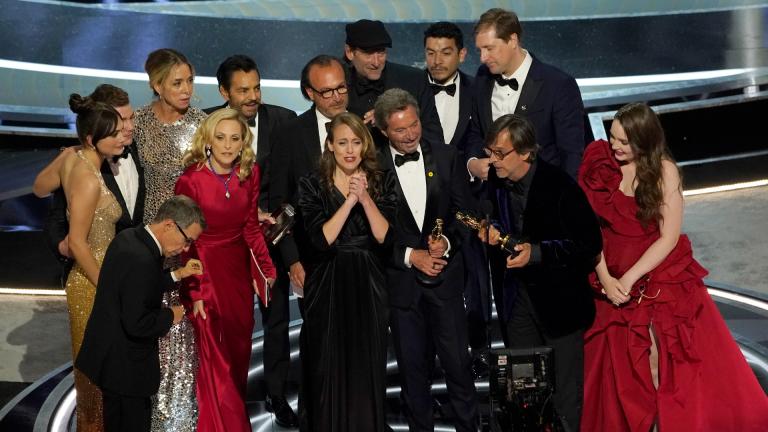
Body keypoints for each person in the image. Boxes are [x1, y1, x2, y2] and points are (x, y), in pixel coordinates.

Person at [578, 103, 768, 431]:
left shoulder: (664, 171)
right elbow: (589, 230)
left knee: (656, 361)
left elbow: (667, 238)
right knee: (615, 369)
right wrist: (606, 278)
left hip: (655, 277)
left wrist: (630, 278)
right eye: (613, 138)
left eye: (624, 142)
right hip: (607, 274)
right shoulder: (601, 165)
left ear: (645, 140)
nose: (615, 147)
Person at [479, 114, 601, 431]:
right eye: (490, 152)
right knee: (521, 398)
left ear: (525, 153)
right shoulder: (496, 182)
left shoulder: (560, 187)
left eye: (499, 153)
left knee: (563, 402)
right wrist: (491, 231)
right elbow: (495, 221)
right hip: (516, 302)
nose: (492, 161)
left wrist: (536, 253)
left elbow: (588, 246)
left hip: (559, 309)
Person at [375, 88, 478, 431]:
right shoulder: (372, 168)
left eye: (414, 125)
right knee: (412, 377)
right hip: (403, 291)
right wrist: (409, 256)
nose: (410, 135)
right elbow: (366, 235)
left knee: (459, 370)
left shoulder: (448, 156)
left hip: (446, 285)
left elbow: (468, 216)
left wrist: (448, 239)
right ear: (384, 131)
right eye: (400, 130)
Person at [175, 108, 277, 431]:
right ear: (208, 139)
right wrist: (195, 291)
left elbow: (250, 228)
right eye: (221, 138)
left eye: (235, 138)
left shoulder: (250, 173)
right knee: (214, 361)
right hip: (204, 273)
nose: (228, 146)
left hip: (237, 276)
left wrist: (266, 267)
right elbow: (184, 243)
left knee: (237, 356)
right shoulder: (190, 180)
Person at [297, 112, 397, 431]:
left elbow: (384, 236)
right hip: (327, 280)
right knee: (327, 366)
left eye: (356, 142)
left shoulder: (382, 179)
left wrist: (365, 197)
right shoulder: (311, 183)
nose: (350, 150)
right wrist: (349, 200)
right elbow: (321, 239)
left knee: (366, 365)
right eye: (342, 142)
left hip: (368, 278)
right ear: (330, 145)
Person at [266, 54, 350, 426]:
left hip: (361, 258)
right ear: (309, 93)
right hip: (310, 262)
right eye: (327, 91)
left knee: (359, 346)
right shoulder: (290, 135)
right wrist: (292, 260)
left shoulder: (366, 126)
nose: (337, 97)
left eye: (341, 87)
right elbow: (278, 206)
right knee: (316, 347)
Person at [76, 195, 205, 432]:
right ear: (169, 225)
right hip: (127, 370)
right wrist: (171, 315)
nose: (186, 248)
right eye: (187, 241)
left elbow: (136, 289)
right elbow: (138, 323)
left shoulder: (129, 238)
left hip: (110, 360)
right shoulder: (143, 259)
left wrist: (177, 275)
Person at [134, 48, 207, 431]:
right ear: (155, 84)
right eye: (177, 83)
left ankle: (176, 422)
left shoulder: (202, 124)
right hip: (147, 242)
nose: (186, 90)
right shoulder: (139, 123)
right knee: (146, 327)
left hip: (187, 244)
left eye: (190, 81)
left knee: (179, 336)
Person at [56, 94, 126, 432]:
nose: (121, 137)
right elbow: (78, 243)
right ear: (90, 139)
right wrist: (108, 288)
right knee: (94, 385)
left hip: (92, 280)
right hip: (91, 285)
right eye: (112, 133)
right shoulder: (86, 178)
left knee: (97, 380)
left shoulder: (72, 160)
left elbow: (41, 187)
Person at [33, 84, 144, 280]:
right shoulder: (78, 164)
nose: (129, 127)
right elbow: (51, 208)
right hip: (94, 273)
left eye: (131, 118)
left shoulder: (135, 148)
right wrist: (63, 247)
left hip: (132, 269)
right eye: (119, 122)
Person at [465, 8, 589, 182]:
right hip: (492, 197)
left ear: (512, 40)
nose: (483, 58)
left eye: (489, 48)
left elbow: (571, 154)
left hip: (540, 197)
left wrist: (562, 199)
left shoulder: (558, 85)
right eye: (480, 50)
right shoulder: (482, 77)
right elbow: (476, 132)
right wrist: (472, 163)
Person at [204, 54, 297, 209]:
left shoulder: (283, 120)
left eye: (257, 88)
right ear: (225, 92)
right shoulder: (204, 121)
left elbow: (290, 183)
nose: (254, 97)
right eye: (243, 90)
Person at [343, 19, 444, 148]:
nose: (376, 62)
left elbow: (434, 138)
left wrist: (395, 120)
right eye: (368, 53)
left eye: (381, 52)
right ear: (350, 52)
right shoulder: (338, 86)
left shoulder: (414, 80)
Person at [423, 21, 474, 148]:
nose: (437, 61)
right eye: (431, 53)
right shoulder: (409, 88)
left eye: (446, 53)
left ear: (461, 55)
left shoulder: (477, 89)